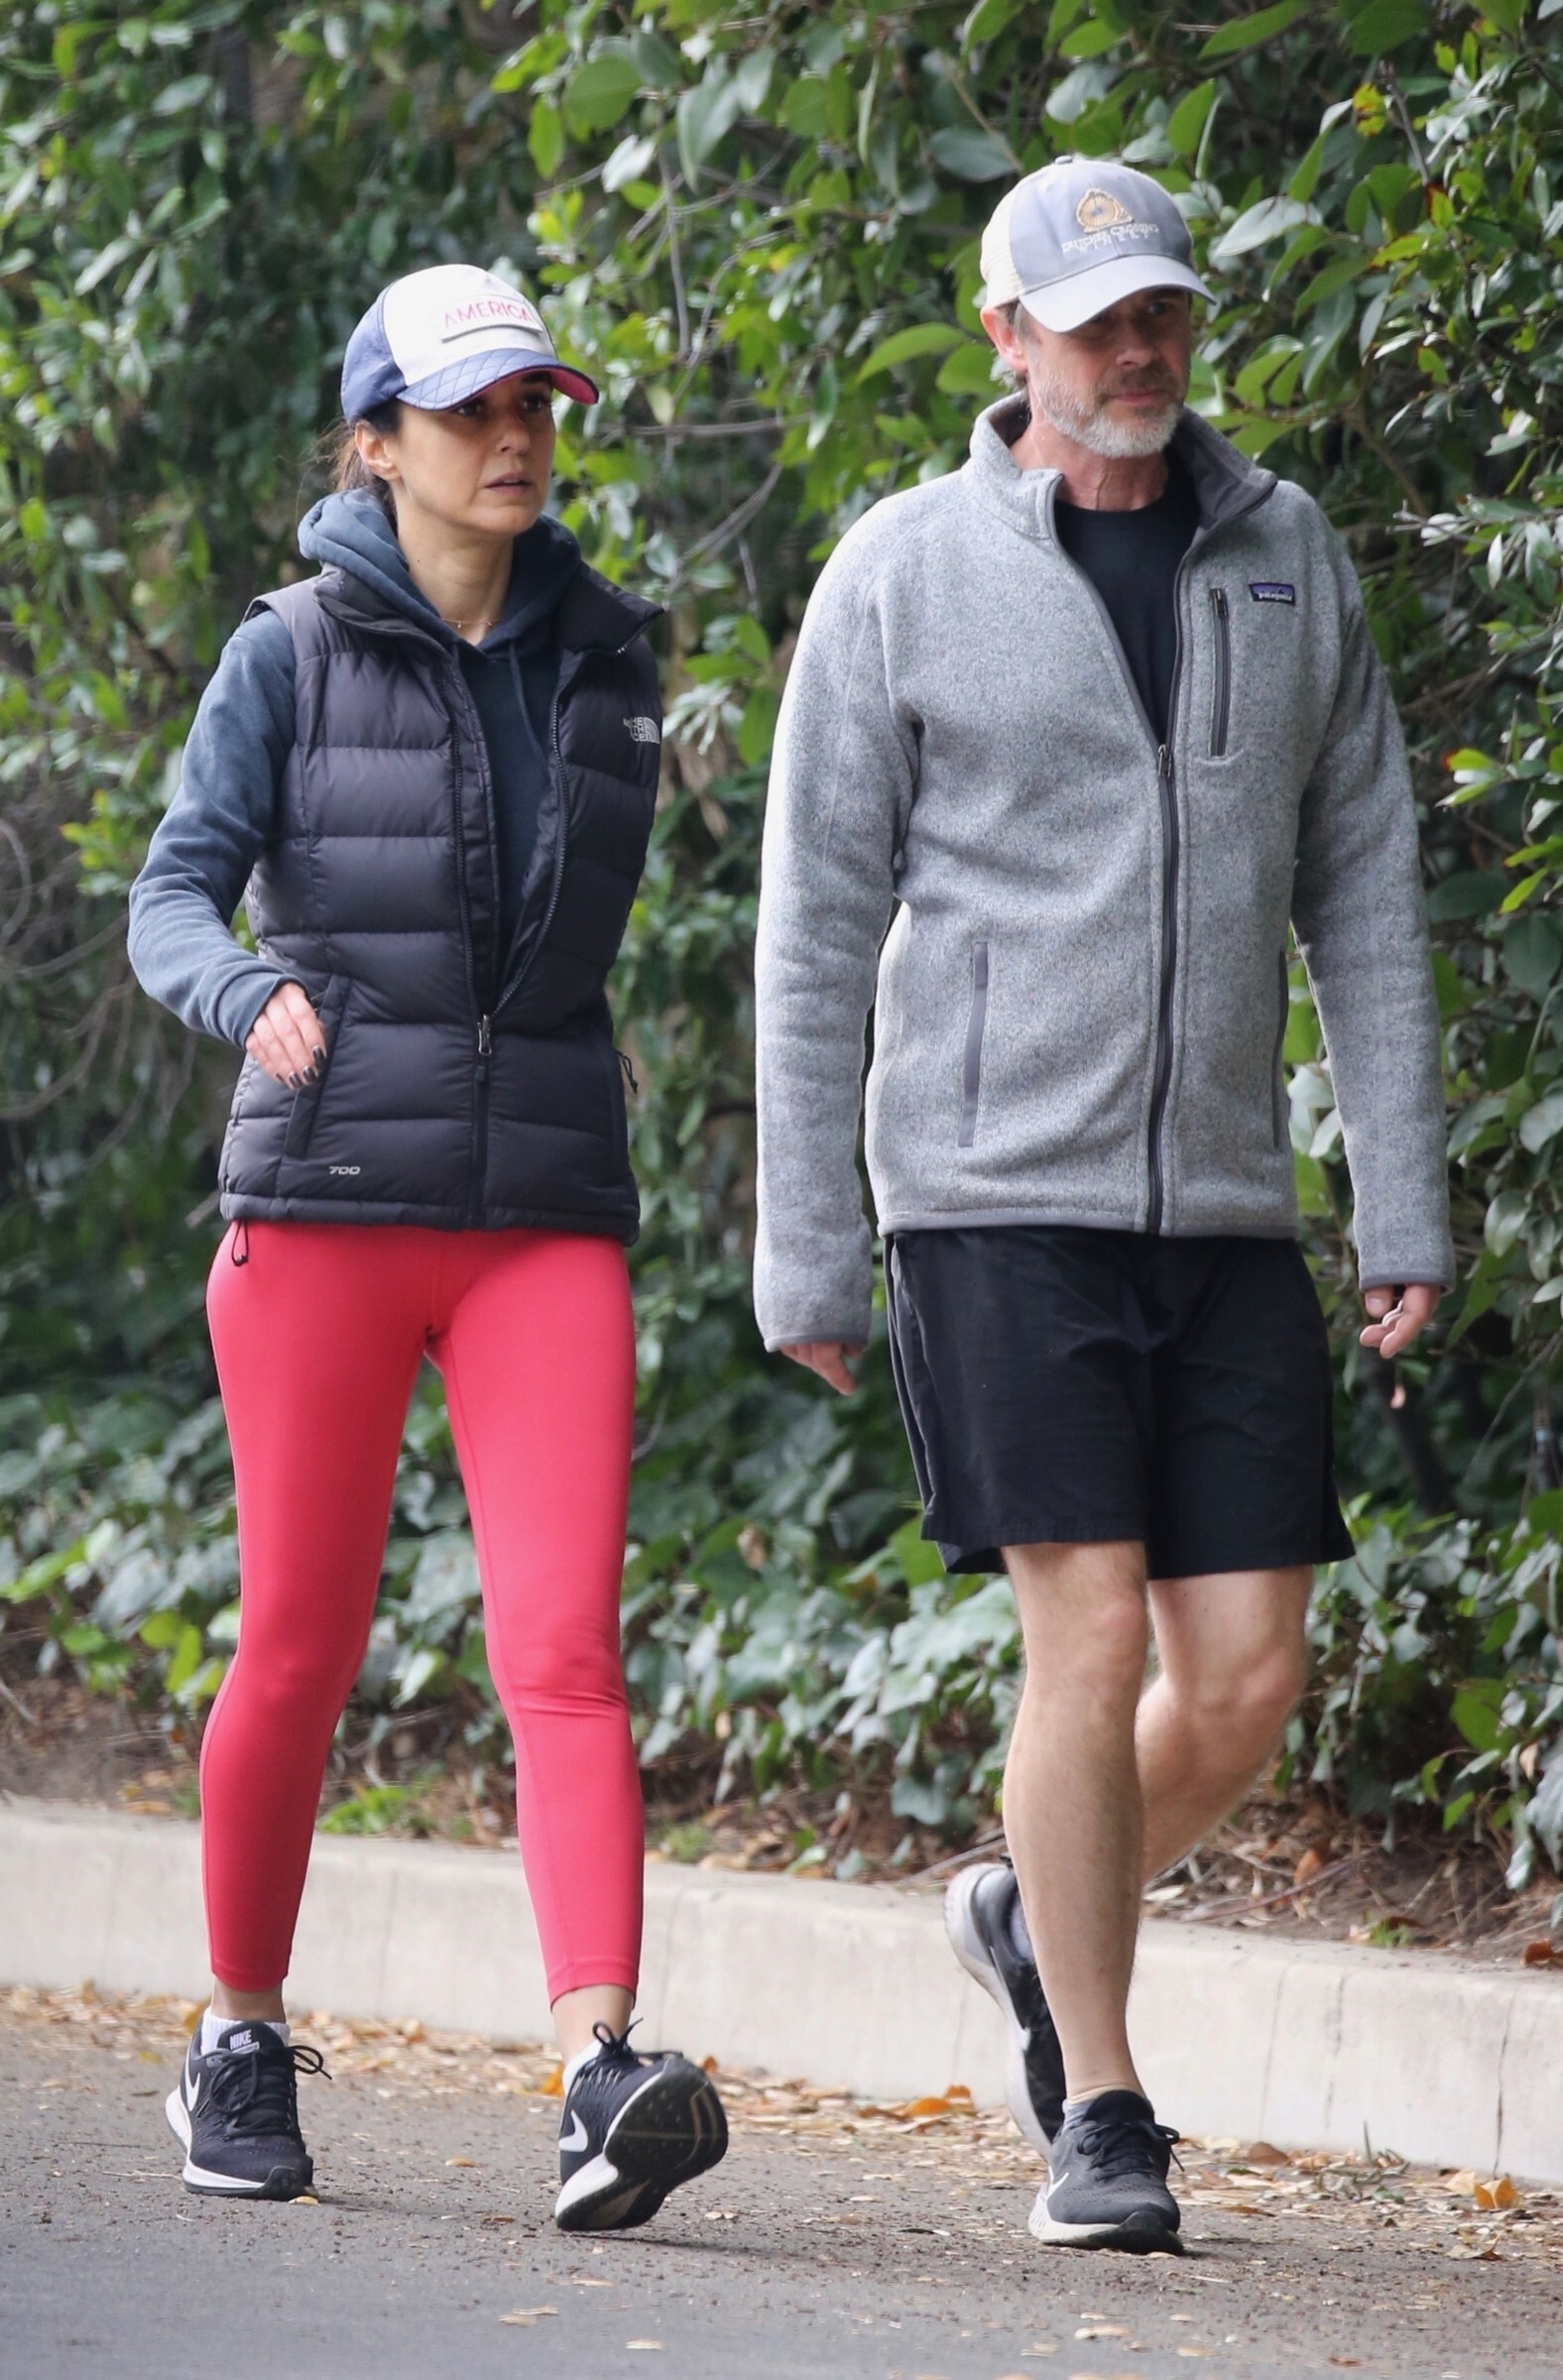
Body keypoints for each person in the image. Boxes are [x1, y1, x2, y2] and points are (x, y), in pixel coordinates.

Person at [752, 158, 1450, 2252]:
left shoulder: (1282, 556)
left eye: (1159, 313)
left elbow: (1364, 890)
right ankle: (1106, 2110)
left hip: (1224, 1205)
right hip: (989, 1198)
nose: (1136, 351)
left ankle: (1023, 1911)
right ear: (1007, 341)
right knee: (1084, 1630)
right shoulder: (900, 574)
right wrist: (809, 1238)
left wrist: (1398, 1196)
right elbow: (813, 925)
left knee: (1242, 1679)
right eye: (1093, 323)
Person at [128, 264, 727, 2229]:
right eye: (470, 410)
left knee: (561, 1646)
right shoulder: (287, 654)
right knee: (298, 1645)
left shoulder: (610, 657)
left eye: (533, 403)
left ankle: (599, 2074)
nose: (513, 438)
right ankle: (236, 2033)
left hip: (540, 1212)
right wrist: (243, 993)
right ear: (374, 443)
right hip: (321, 1208)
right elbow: (171, 896)